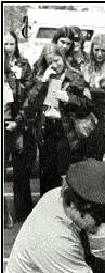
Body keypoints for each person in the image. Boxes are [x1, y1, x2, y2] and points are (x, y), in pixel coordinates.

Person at [20, 44, 93, 195]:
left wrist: (69, 98)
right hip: (45, 126)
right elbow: (30, 104)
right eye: (49, 62)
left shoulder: (74, 75)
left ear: (63, 58)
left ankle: (66, 208)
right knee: (46, 172)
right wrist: (42, 82)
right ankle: (46, 207)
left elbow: (87, 105)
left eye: (57, 60)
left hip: (65, 128)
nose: (54, 65)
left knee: (65, 172)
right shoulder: (42, 76)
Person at [4, 31, 35, 225]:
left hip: (18, 122)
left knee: (21, 170)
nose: (7, 47)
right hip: (5, 120)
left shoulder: (23, 64)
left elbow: (30, 93)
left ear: (16, 45)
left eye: (11, 44)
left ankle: (23, 213)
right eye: (4, 44)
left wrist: (19, 120)